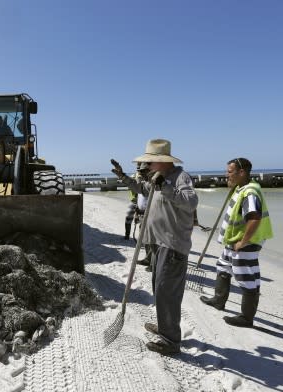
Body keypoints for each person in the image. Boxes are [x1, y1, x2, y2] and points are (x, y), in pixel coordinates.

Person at [111, 138, 198, 355]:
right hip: (156, 243)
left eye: (151, 162)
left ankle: (170, 341)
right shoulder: (159, 178)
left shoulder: (179, 177)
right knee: (159, 289)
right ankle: (165, 326)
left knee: (167, 291)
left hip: (172, 244)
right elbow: (141, 188)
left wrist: (165, 186)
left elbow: (190, 202)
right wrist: (123, 177)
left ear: (163, 161)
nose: (147, 166)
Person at [200, 158, 273, 327]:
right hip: (232, 241)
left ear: (242, 172)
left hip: (245, 242)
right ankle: (219, 300)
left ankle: (246, 318)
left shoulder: (250, 193)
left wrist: (242, 242)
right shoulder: (242, 188)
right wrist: (231, 184)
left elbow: (254, 218)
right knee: (223, 267)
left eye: (230, 172)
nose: (226, 174)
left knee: (247, 278)